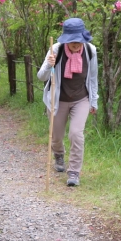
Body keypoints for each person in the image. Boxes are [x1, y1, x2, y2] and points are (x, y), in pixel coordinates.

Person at [37, 18, 98, 187]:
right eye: (72, 41)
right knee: (56, 137)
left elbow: (93, 78)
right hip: (58, 99)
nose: (76, 44)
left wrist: (94, 101)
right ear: (66, 39)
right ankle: (58, 154)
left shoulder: (90, 51)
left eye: (79, 41)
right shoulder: (56, 50)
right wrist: (49, 65)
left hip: (81, 99)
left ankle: (74, 172)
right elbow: (41, 76)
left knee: (76, 134)